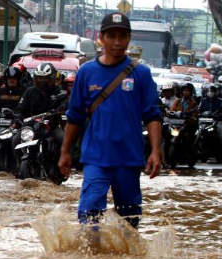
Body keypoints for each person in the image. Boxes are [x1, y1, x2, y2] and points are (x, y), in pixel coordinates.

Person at [59, 12, 162, 229]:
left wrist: (155, 151)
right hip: (96, 157)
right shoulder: (86, 72)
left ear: (129, 38)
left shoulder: (141, 74)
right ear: (101, 38)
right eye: (111, 36)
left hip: (129, 158)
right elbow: (74, 116)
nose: (117, 42)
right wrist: (65, 151)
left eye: (122, 36)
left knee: (129, 220)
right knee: (88, 212)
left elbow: (152, 115)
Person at [11, 62, 65, 166]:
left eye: (45, 78)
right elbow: (21, 109)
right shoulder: (30, 91)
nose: (41, 81)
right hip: (32, 126)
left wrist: (61, 108)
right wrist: (18, 118)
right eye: (39, 78)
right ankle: (19, 165)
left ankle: (60, 165)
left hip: (51, 126)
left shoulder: (58, 92)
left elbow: (65, 103)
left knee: (62, 138)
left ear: (52, 78)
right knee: (15, 140)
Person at [199, 83, 222, 160]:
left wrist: (219, 115)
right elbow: (199, 110)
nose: (210, 92)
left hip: (216, 122)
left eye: (212, 91)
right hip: (204, 122)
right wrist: (200, 114)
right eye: (209, 91)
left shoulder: (220, 101)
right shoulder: (203, 101)